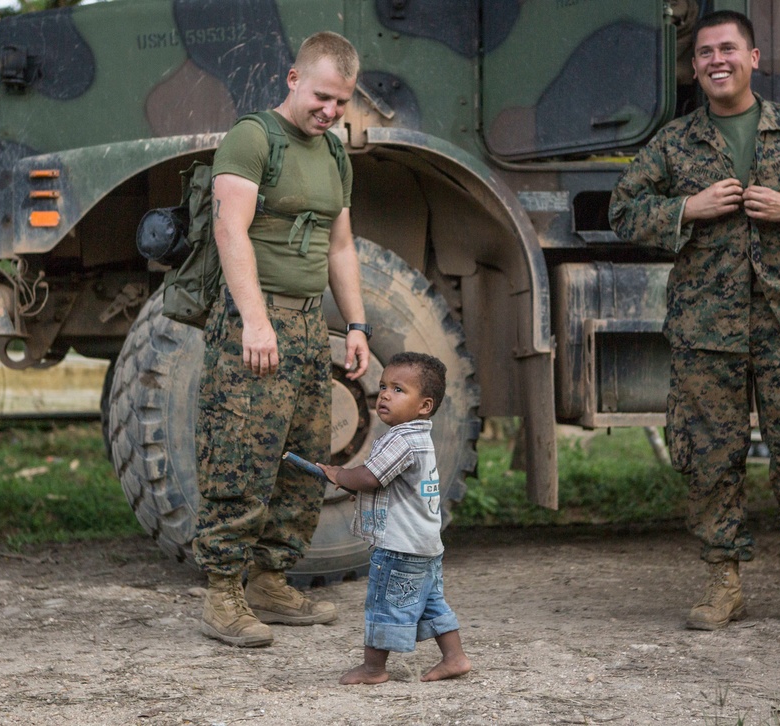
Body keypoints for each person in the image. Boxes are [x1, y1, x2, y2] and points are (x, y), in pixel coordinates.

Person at [608, 10, 780, 634]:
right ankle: (722, 582)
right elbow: (623, 209)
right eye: (704, 53)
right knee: (710, 456)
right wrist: (685, 209)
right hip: (707, 329)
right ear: (694, 65)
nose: (716, 60)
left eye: (728, 49)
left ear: (754, 59)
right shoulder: (675, 143)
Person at [192, 31, 371, 648]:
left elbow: (340, 245)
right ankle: (221, 594)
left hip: (305, 327)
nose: (330, 111)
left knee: (304, 462)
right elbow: (229, 230)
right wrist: (255, 320)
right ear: (294, 80)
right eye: (322, 96)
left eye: (342, 102)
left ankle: (269, 580)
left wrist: (355, 324)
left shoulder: (336, 152)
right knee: (239, 456)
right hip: (255, 322)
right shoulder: (253, 137)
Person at [317, 352, 471, 684]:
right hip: (426, 545)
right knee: (431, 602)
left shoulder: (401, 440)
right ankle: (455, 658)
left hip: (400, 546)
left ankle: (373, 669)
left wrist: (339, 475)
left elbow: (370, 477)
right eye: (383, 385)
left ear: (424, 406)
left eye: (398, 390)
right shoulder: (419, 437)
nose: (385, 394)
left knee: (383, 602)